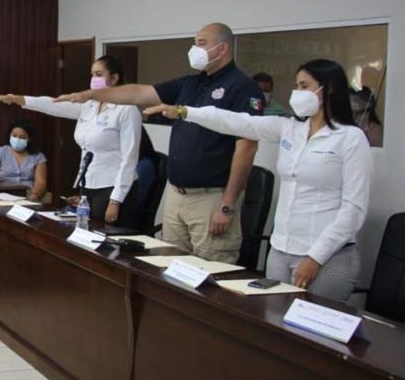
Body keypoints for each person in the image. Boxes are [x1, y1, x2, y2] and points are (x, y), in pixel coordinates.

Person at [145, 59, 371, 301]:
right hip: (281, 249)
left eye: (304, 86)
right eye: (296, 85)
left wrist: (316, 257)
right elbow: (235, 121)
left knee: (312, 322)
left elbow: (354, 210)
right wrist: (185, 111)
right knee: (271, 319)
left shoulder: (351, 138)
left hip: (327, 256)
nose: (297, 92)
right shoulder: (290, 128)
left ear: (329, 89)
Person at [56, 23, 263, 263]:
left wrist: (227, 206)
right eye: (194, 43)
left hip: (212, 198)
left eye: (202, 43)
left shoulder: (243, 87)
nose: (195, 49)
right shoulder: (191, 83)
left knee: (209, 270)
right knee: (170, 266)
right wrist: (92, 94)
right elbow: (138, 93)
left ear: (223, 48)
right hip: (177, 194)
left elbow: (246, 148)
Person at [0, 54, 141, 228]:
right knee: (84, 233)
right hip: (89, 183)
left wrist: (115, 200)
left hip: (114, 187)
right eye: (92, 74)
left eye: (99, 74)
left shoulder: (127, 110)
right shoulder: (90, 105)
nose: (93, 79)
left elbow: (129, 158)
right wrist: (17, 99)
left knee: (104, 237)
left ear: (114, 78)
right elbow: (53, 105)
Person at [0, 119, 48, 203]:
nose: (17, 139)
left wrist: (34, 196)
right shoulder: (0, 152)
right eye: (14, 136)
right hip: (2, 195)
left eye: (22, 137)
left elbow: (40, 182)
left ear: (29, 139)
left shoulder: (38, 156)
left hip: (27, 195)